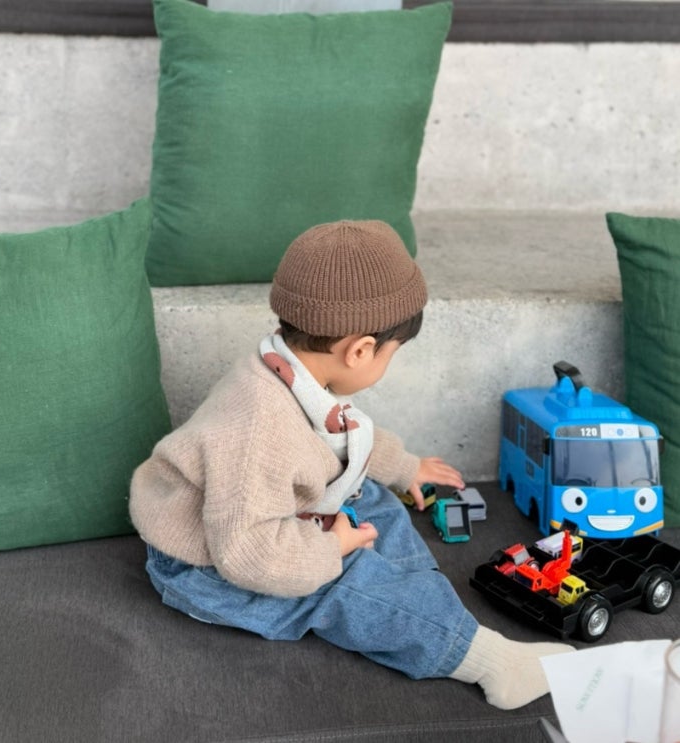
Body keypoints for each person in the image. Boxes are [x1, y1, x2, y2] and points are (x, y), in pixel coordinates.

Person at [129, 219, 574, 710]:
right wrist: (332, 548)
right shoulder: (259, 428)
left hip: (261, 513)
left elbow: (343, 437)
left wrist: (404, 466)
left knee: (375, 498)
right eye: (392, 354)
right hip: (208, 567)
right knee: (344, 583)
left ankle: (418, 602)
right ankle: (483, 660)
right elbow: (247, 554)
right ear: (360, 350)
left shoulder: (292, 367)